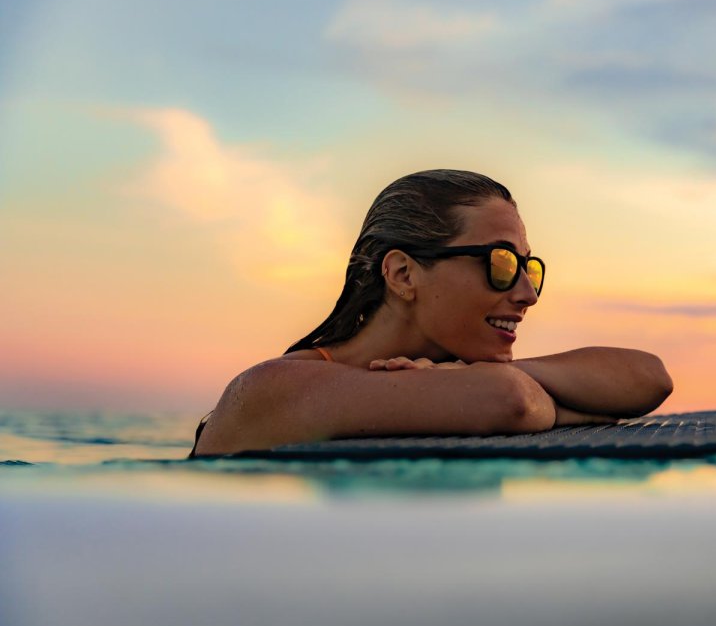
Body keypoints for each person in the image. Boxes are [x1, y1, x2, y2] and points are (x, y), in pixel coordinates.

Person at [191, 170, 673, 456]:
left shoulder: (442, 375)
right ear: (403, 275)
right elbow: (507, 401)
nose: (527, 292)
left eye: (529, 267)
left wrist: (453, 377)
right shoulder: (271, 390)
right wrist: (481, 387)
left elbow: (649, 377)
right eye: (501, 263)